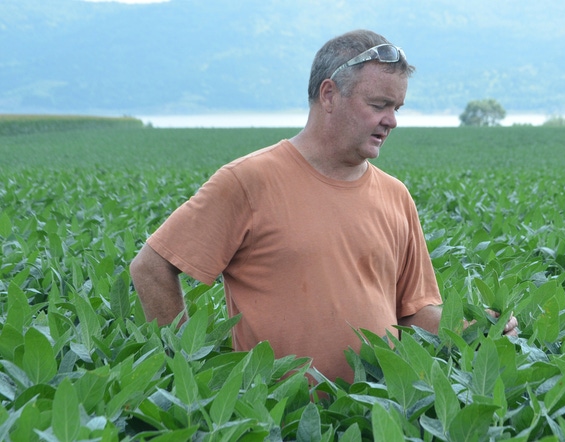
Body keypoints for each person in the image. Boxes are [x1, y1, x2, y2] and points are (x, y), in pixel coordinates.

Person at [129, 29, 517, 384]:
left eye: (397, 107)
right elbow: (151, 266)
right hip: (277, 417)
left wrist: (474, 329)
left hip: (375, 412)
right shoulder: (250, 180)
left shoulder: (395, 195)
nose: (392, 121)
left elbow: (413, 315)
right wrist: (185, 371)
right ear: (329, 95)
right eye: (380, 104)